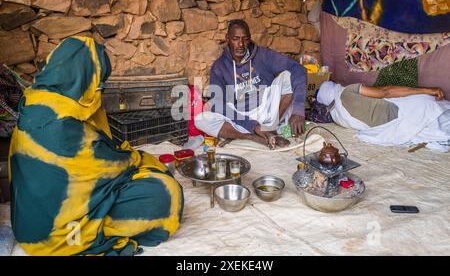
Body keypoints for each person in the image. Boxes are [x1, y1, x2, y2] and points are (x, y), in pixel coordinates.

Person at [8, 37, 184, 256]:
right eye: (99, 81)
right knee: (166, 192)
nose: (100, 88)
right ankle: (93, 232)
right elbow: (110, 167)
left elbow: (88, 163)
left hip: (29, 225)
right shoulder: (62, 123)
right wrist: (140, 159)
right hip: (58, 233)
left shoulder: (35, 102)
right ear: (82, 76)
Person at [195, 20, 308, 149]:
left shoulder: (263, 55)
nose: (241, 44)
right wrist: (253, 126)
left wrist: (298, 110)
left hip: (269, 111)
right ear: (227, 39)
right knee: (202, 118)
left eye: (245, 39)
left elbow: (298, 69)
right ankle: (253, 136)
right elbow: (219, 105)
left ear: (250, 39)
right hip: (242, 117)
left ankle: (269, 128)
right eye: (236, 39)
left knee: (287, 76)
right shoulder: (219, 67)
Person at [316, 81, 450, 152]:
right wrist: (427, 90)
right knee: (434, 107)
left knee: (441, 125)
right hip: (404, 109)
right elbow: (386, 91)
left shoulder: (338, 117)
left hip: (393, 127)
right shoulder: (347, 91)